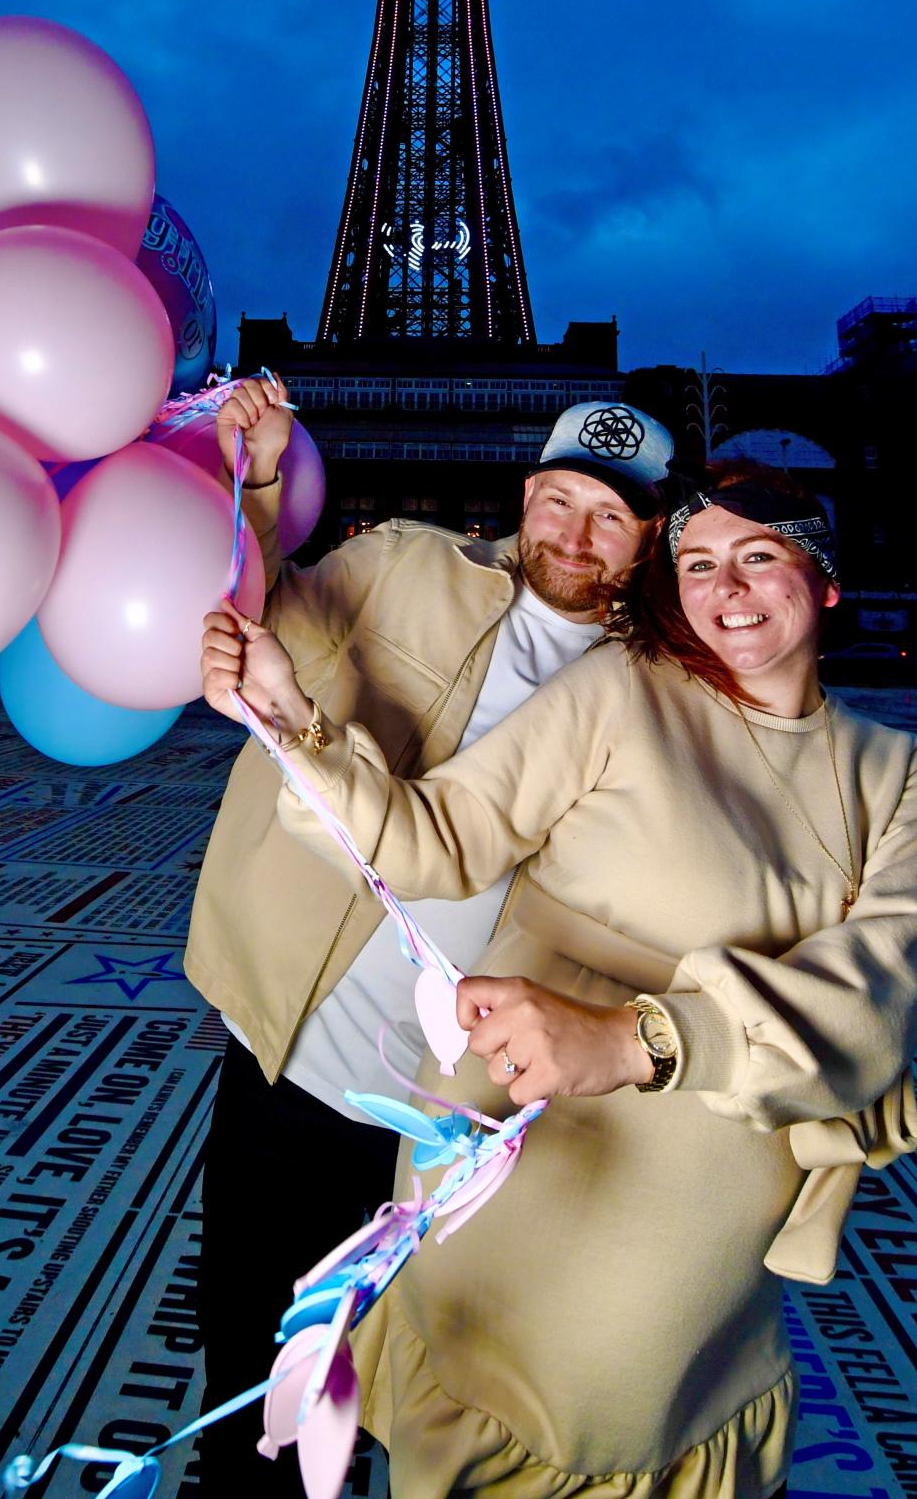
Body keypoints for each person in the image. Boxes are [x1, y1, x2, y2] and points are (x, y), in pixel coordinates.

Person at [206, 459, 917, 1499]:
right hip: (511, 1159)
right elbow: (437, 835)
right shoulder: (618, 690)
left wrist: (632, 1036)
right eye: (700, 564)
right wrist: (294, 720)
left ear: (826, 582)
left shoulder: (901, 773)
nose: (727, 589)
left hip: (691, 1213)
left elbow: (871, 997)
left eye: (761, 558)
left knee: (628, 1413)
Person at [187, 384, 674, 1489]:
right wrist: (257, 481)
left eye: (611, 517)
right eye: (560, 501)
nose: (576, 535)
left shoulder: (662, 686)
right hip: (298, 1067)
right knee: (253, 1399)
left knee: (425, 1416)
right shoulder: (407, 562)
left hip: (477, 1126)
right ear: (526, 495)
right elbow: (259, 605)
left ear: (649, 535)